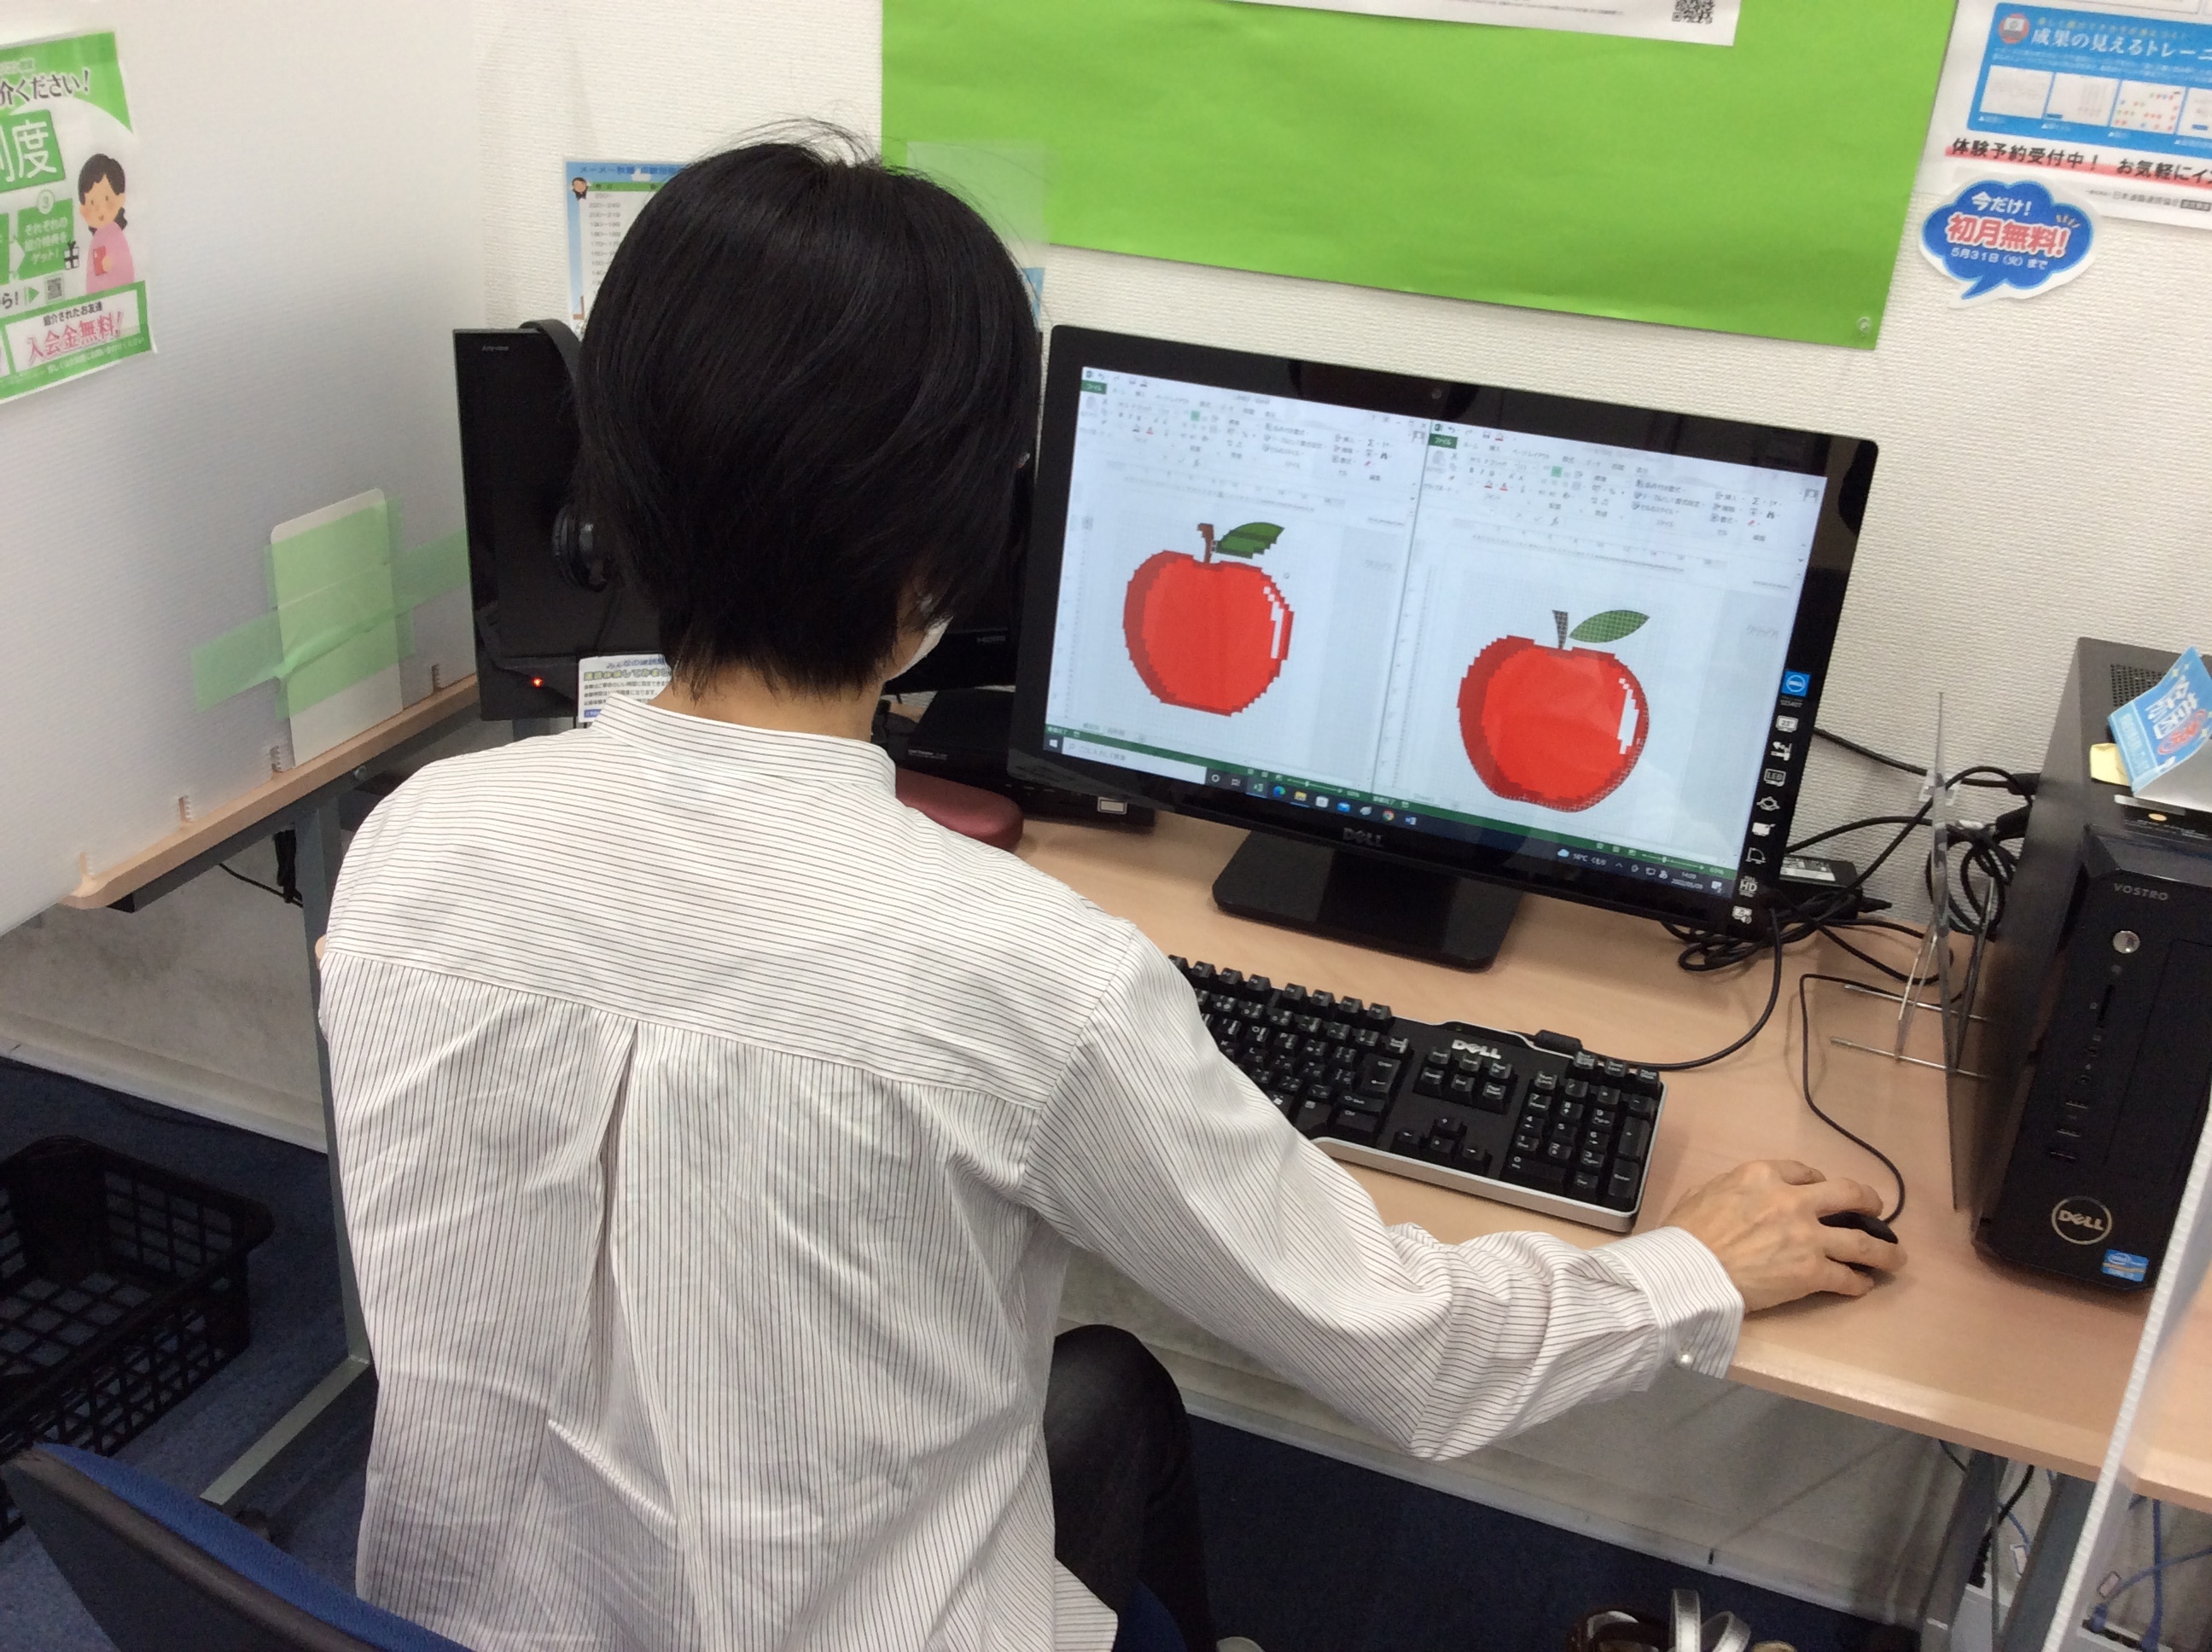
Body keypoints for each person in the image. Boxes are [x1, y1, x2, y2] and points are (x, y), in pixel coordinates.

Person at [317, 130, 1905, 1652]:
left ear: (612, 500)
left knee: (1106, 1394)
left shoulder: (411, 844)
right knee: (1110, 1390)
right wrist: (1692, 1267)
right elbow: (1412, 1355)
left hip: (439, 1619)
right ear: (946, 562)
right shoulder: (1025, 974)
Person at [76, 154, 132, 294]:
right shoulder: (99, 236)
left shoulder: (114, 233)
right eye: (92, 202)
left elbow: (125, 265)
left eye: (107, 198)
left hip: (115, 293)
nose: (100, 209)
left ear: (120, 199)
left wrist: (111, 263)